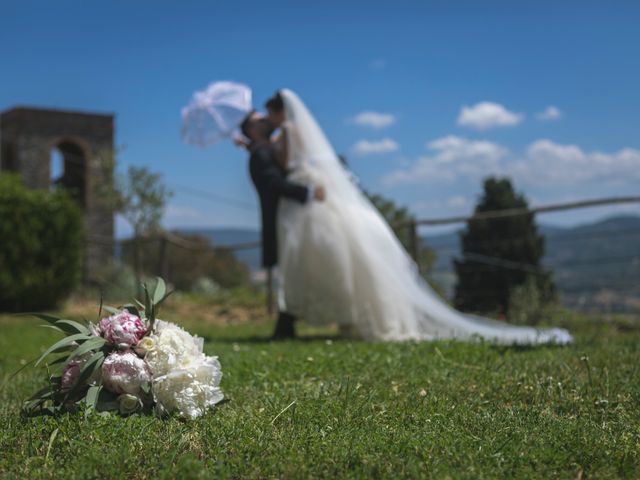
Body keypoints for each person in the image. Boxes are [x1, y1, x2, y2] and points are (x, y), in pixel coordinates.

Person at [272, 89, 572, 345]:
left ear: (278, 111)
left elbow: (285, 164)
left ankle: (355, 319)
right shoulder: (301, 134)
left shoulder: (286, 131)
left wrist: (264, 147)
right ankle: (360, 318)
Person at [238, 108, 325, 339]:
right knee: (290, 267)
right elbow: (274, 183)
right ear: (251, 130)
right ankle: (285, 323)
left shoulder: (262, 150)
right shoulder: (259, 155)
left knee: (296, 266)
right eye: (259, 121)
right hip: (280, 219)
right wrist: (307, 192)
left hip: (289, 218)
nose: (266, 120)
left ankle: (286, 323)